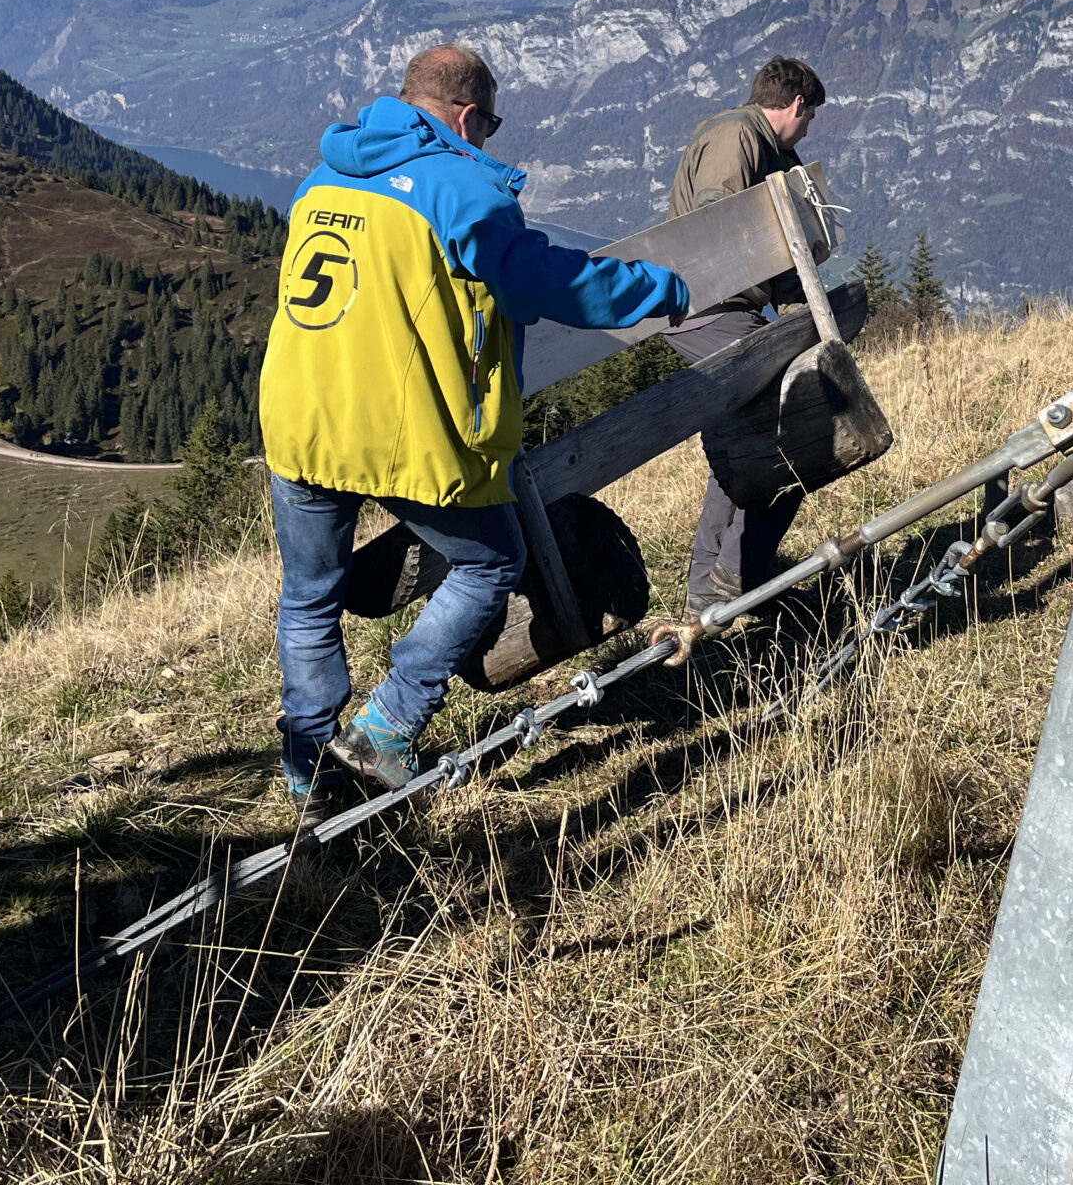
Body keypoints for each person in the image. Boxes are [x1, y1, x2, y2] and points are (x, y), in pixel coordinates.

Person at [259, 44, 689, 813]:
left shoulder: (322, 178)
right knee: (492, 560)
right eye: (487, 124)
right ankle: (388, 726)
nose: (486, 138)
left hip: (296, 419)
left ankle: (309, 768)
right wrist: (662, 288)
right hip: (396, 432)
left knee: (309, 596)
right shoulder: (459, 186)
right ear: (465, 116)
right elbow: (547, 280)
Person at [663, 55, 827, 622]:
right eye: (810, 119)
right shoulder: (738, 138)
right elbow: (719, 229)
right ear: (797, 105)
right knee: (795, 430)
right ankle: (739, 571)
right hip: (712, 309)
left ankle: (718, 583)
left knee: (741, 445)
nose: (808, 131)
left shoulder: (764, 147)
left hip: (719, 309)